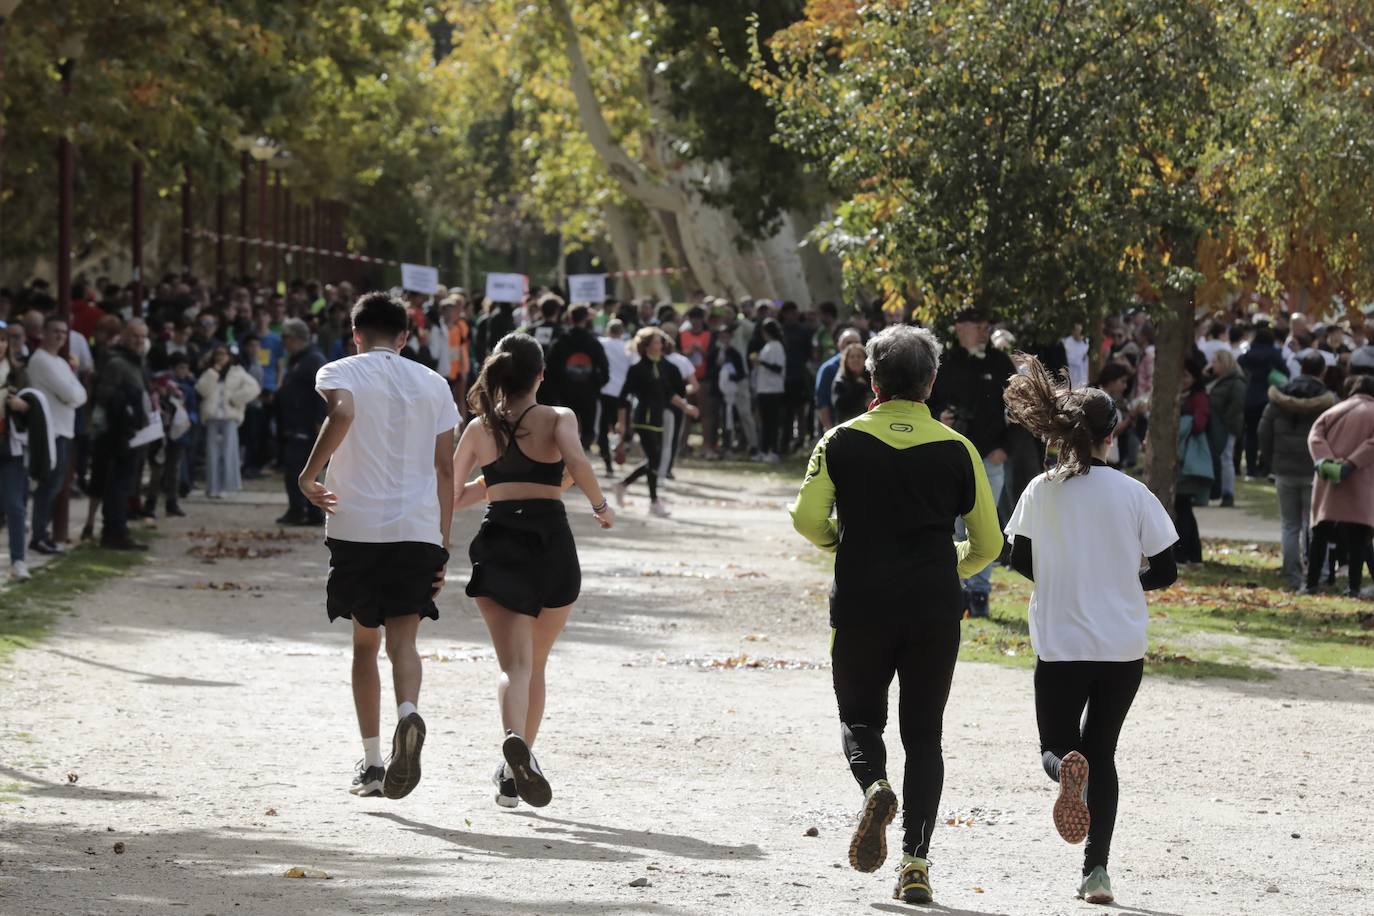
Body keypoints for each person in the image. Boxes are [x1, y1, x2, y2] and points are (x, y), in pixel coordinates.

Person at [790, 326, 1002, 904]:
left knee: (860, 719)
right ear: (931, 383)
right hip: (934, 604)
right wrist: (949, 559)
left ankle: (874, 784)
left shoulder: (838, 440)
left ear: (871, 378)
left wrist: (841, 540)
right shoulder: (959, 449)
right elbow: (988, 543)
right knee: (925, 735)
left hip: (861, 599)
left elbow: (807, 520)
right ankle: (915, 863)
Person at [1002, 354, 1179, 906]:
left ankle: (1063, 770)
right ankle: (1096, 871)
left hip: (1060, 642)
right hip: (1121, 646)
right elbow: (1168, 570)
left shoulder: (1041, 489)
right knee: (1103, 752)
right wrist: (1121, 583)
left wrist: (1062, 579)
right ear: (1113, 433)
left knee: (1056, 744)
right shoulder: (1134, 495)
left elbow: (1018, 558)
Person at [298, 292, 458, 799]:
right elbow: (446, 467)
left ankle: (370, 763)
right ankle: (408, 713)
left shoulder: (339, 370)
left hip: (357, 528)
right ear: (406, 337)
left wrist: (308, 475)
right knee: (404, 644)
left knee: (365, 645)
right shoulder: (434, 383)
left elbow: (341, 416)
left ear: (356, 334)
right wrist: (443, 543)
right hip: (417, 529)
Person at [452, 332, 613, 809]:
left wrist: (489, 485)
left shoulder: (479, 429)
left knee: (513, 667)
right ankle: (513, 767)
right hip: (552, 546)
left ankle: (511, 748)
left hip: (501, 542)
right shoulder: (559, 417)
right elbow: (575, 460)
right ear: (541, 375)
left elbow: (452, 490)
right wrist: (599, 504)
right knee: (536, 664)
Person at [928, 307, 1016, 618]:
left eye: (986, 326)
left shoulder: (999, 361)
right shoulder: (944, 363)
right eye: (977, 326)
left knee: (984, 530)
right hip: (951, 455)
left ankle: (979, 595)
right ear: (959, 327)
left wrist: (1005, 446)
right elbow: (927, 401)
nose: (983, 331)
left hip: (990, 457)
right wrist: (940, 417)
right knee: (952, 527)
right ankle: (953, 591)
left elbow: (1018, 407)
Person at [1259, 352, 1333, 590]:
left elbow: (1264, 431)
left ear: (1301, 368)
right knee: (1317, 525)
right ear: (1322, 371)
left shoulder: (1279, 398)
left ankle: (1292, 573)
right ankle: (1318, 573)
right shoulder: (1327, 401)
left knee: (1289, 524)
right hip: (1316, 469)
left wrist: (1270, 460)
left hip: (1284, 469)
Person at [1305, 374, 1374, 596]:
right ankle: (1353, 586)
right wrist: (1351, 464)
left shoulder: (1333, 410)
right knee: (1357, 538)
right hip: (1359, 480)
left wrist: (1326, 460)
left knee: (1320, 534)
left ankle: (1311, 584)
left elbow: (1315, 436)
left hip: (1327, 479)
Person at [25, 315, 86, 553]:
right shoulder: (41, 361)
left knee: (58, 484)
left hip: (65, 428)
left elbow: (79, 394)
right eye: (55, 331)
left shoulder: (60, 362)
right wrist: (72, 395)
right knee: (48, 485)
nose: (60, 336)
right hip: (50, 430)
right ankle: (39, 534)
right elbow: (70, 394)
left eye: (64, 332)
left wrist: (73, 395)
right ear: (44, 333)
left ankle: (43, 532)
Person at [92, 319, 151, 550]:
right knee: (118, 484)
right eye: (135, 336)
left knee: (126, 483)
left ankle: (118, 529)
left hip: (135, 431)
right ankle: (114, 532)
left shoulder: (138, 362)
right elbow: (104, 396)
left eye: (143, 336)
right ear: (125, 336)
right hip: (118, 434)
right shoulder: (117, 363)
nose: (139, 341)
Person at [276, 319, 327, 526]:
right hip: (294, 424)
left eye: (286, 338)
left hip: (306, 425)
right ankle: (300, 510)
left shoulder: (313, 359)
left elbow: (322, 392)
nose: (284, 343)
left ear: (296, 338)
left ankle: (308, 512)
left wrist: (318, 421)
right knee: (295, 469)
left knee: (302, 470)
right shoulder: (297, 359)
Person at [196, 345, 261, 500]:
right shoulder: (210, 371)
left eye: (223, 354)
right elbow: (201, 389)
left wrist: (236, 399)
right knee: (212, 454)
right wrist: (213, 372)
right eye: (217, 354)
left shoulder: (237, 372)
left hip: (229, 417)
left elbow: (254, 388)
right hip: (212, 417)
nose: (220, 357)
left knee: (229, 452)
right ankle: (213, 487)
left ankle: (227, 487)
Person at [546, 305, 610, 451]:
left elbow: (549, 367)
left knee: (565, 426)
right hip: (588, 392)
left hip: (565, 392)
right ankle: (582, 454)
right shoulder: (594, 342)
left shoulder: (560, 341)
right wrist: (596, 385)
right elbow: (605, 368)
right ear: (586, 318)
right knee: (588, 428)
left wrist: (556, 389)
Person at [0, 326, 31, 581]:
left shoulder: (18, 373)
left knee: (14, 505)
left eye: (2, 340)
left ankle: (18, 560)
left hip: (11, 446)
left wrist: (20, 405)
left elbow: (35, 408)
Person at [1175, 356, 1212, 564]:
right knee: (1183, 508)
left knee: (1183, 507)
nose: (1183, 379)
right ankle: (1190, 555)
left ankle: (1187, 554)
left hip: (1187, 462)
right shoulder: (1177, 395)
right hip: (1181, 462)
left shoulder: (1198, 398)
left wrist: (1183, 418)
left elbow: (1199, 424)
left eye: (1187, 375)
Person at [1238, 326, 1288, 477]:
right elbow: (1286, 372)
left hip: (1249, 397)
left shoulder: (1247, 356)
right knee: (1270, 434)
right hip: (1269, 397)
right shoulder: (1274, 354)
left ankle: (1250, 469)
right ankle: (1268, 468)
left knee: (1251, 433)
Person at [1206, 349, 1245, 507]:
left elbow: (1236, 405)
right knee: (1221, 458)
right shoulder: (1218, 380)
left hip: (1226, 425)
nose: (1212, 364)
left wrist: (1226, 423)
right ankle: (1219, 490)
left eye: (1215, 361)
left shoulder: (1235, 381)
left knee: (1226, 458)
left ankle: (1228, 493)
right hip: (1217, 424)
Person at [596, 319, 631, 475]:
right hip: (623, 393)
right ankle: (619, 448)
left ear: (608, 331)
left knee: (604, 428)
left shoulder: (602, 343)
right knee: (621, 426)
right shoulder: (628, 348)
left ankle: (608, 462)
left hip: (605, 391)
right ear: (622, 332)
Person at [815, 329, 864, 431]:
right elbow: (822, 401)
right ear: (839, 345)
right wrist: (829, 429)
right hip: (838, 427)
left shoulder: (868, 368)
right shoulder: (829, 369)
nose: (852, 346)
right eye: (848, 342)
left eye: (856, 342)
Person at [753, 318, 787, 462]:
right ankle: (764, 449)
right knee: (764, 422)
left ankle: (773, 450)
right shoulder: (768, 345)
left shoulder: (777, 346)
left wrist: (761, 362)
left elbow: (777, 368)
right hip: (763, 388)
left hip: (773, 389)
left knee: (772, 422)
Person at [830, 341, 871, 425]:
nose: (856, 359)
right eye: (852, 357)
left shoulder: (872, 379)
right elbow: (840, 405)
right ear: (846, 360)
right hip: (847, 426)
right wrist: (858, 388)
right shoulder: (840, 381)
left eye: (859, 356)